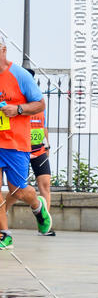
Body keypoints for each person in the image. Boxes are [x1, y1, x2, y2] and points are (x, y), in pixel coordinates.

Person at [0, 37, 52, 249]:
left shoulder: (19, 75)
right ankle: (5, 234)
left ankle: (37, 206)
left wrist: (18, 110)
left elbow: (40, 104)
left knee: (18, 191)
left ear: (3, 50)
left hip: (16, 143)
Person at [27, 69, 55, 236]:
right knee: (18, 190)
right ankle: (4, 214)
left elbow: (43, 124)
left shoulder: (39, 102)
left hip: (39, 149)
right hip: (20, 150)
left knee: (45, 184)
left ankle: (44, 225)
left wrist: (47, 145)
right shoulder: (17, 102)